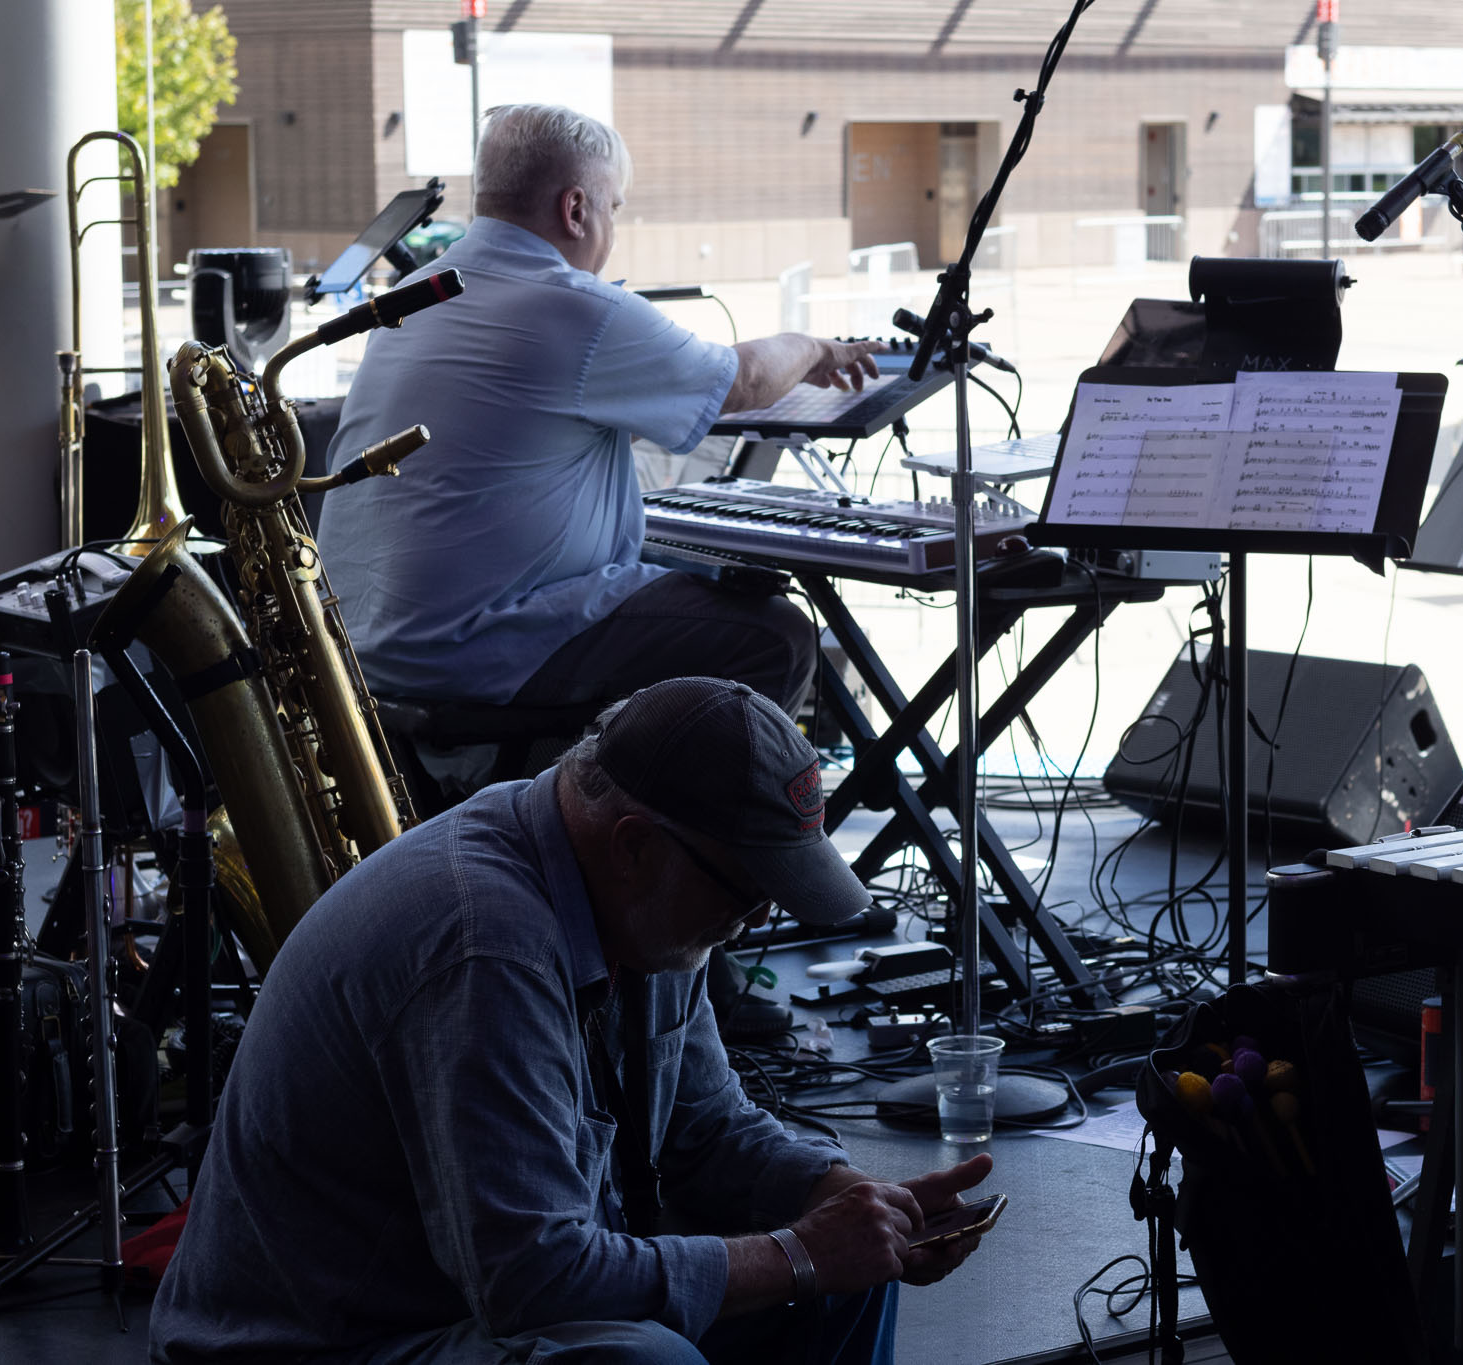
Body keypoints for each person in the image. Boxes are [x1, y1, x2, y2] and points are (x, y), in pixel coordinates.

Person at [150, 677, 993, 1364]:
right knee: (640, 1362)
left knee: (851, 1271)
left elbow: (706, 1130)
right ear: (634, 845)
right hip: (327, 1346)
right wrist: (801, 1252)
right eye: (747, 891)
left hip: (453, 1311)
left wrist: (848, 1202)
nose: (753, 920)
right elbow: (534, 1279)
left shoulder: (639, 901)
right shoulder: (485, 948)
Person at [316, 104, 882, 719]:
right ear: (576, 209)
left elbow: (516, 432)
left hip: (360, 644)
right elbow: (741, 380)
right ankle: (650, 785)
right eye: (614, 209)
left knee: (674, 590)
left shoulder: (413, 296)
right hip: (473, 648)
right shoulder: (575, 306)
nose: (612, 231)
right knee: (775, 636)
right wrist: (815, 348)